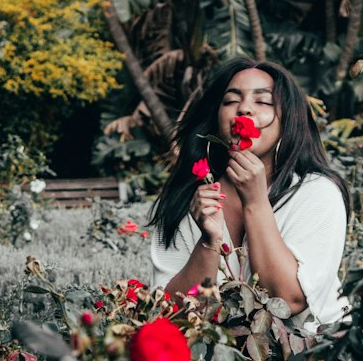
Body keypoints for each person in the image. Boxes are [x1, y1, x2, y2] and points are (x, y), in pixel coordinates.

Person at [149, 59, 350, 328]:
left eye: (263, 102)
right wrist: (208, 242)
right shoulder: (187, 199)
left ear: (288, 119)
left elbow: (288, 302)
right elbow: (172, 315)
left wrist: (255, 202)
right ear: (216, 117)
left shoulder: (317, 193)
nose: (244, 108)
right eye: (231, 101)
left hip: (310, 357)